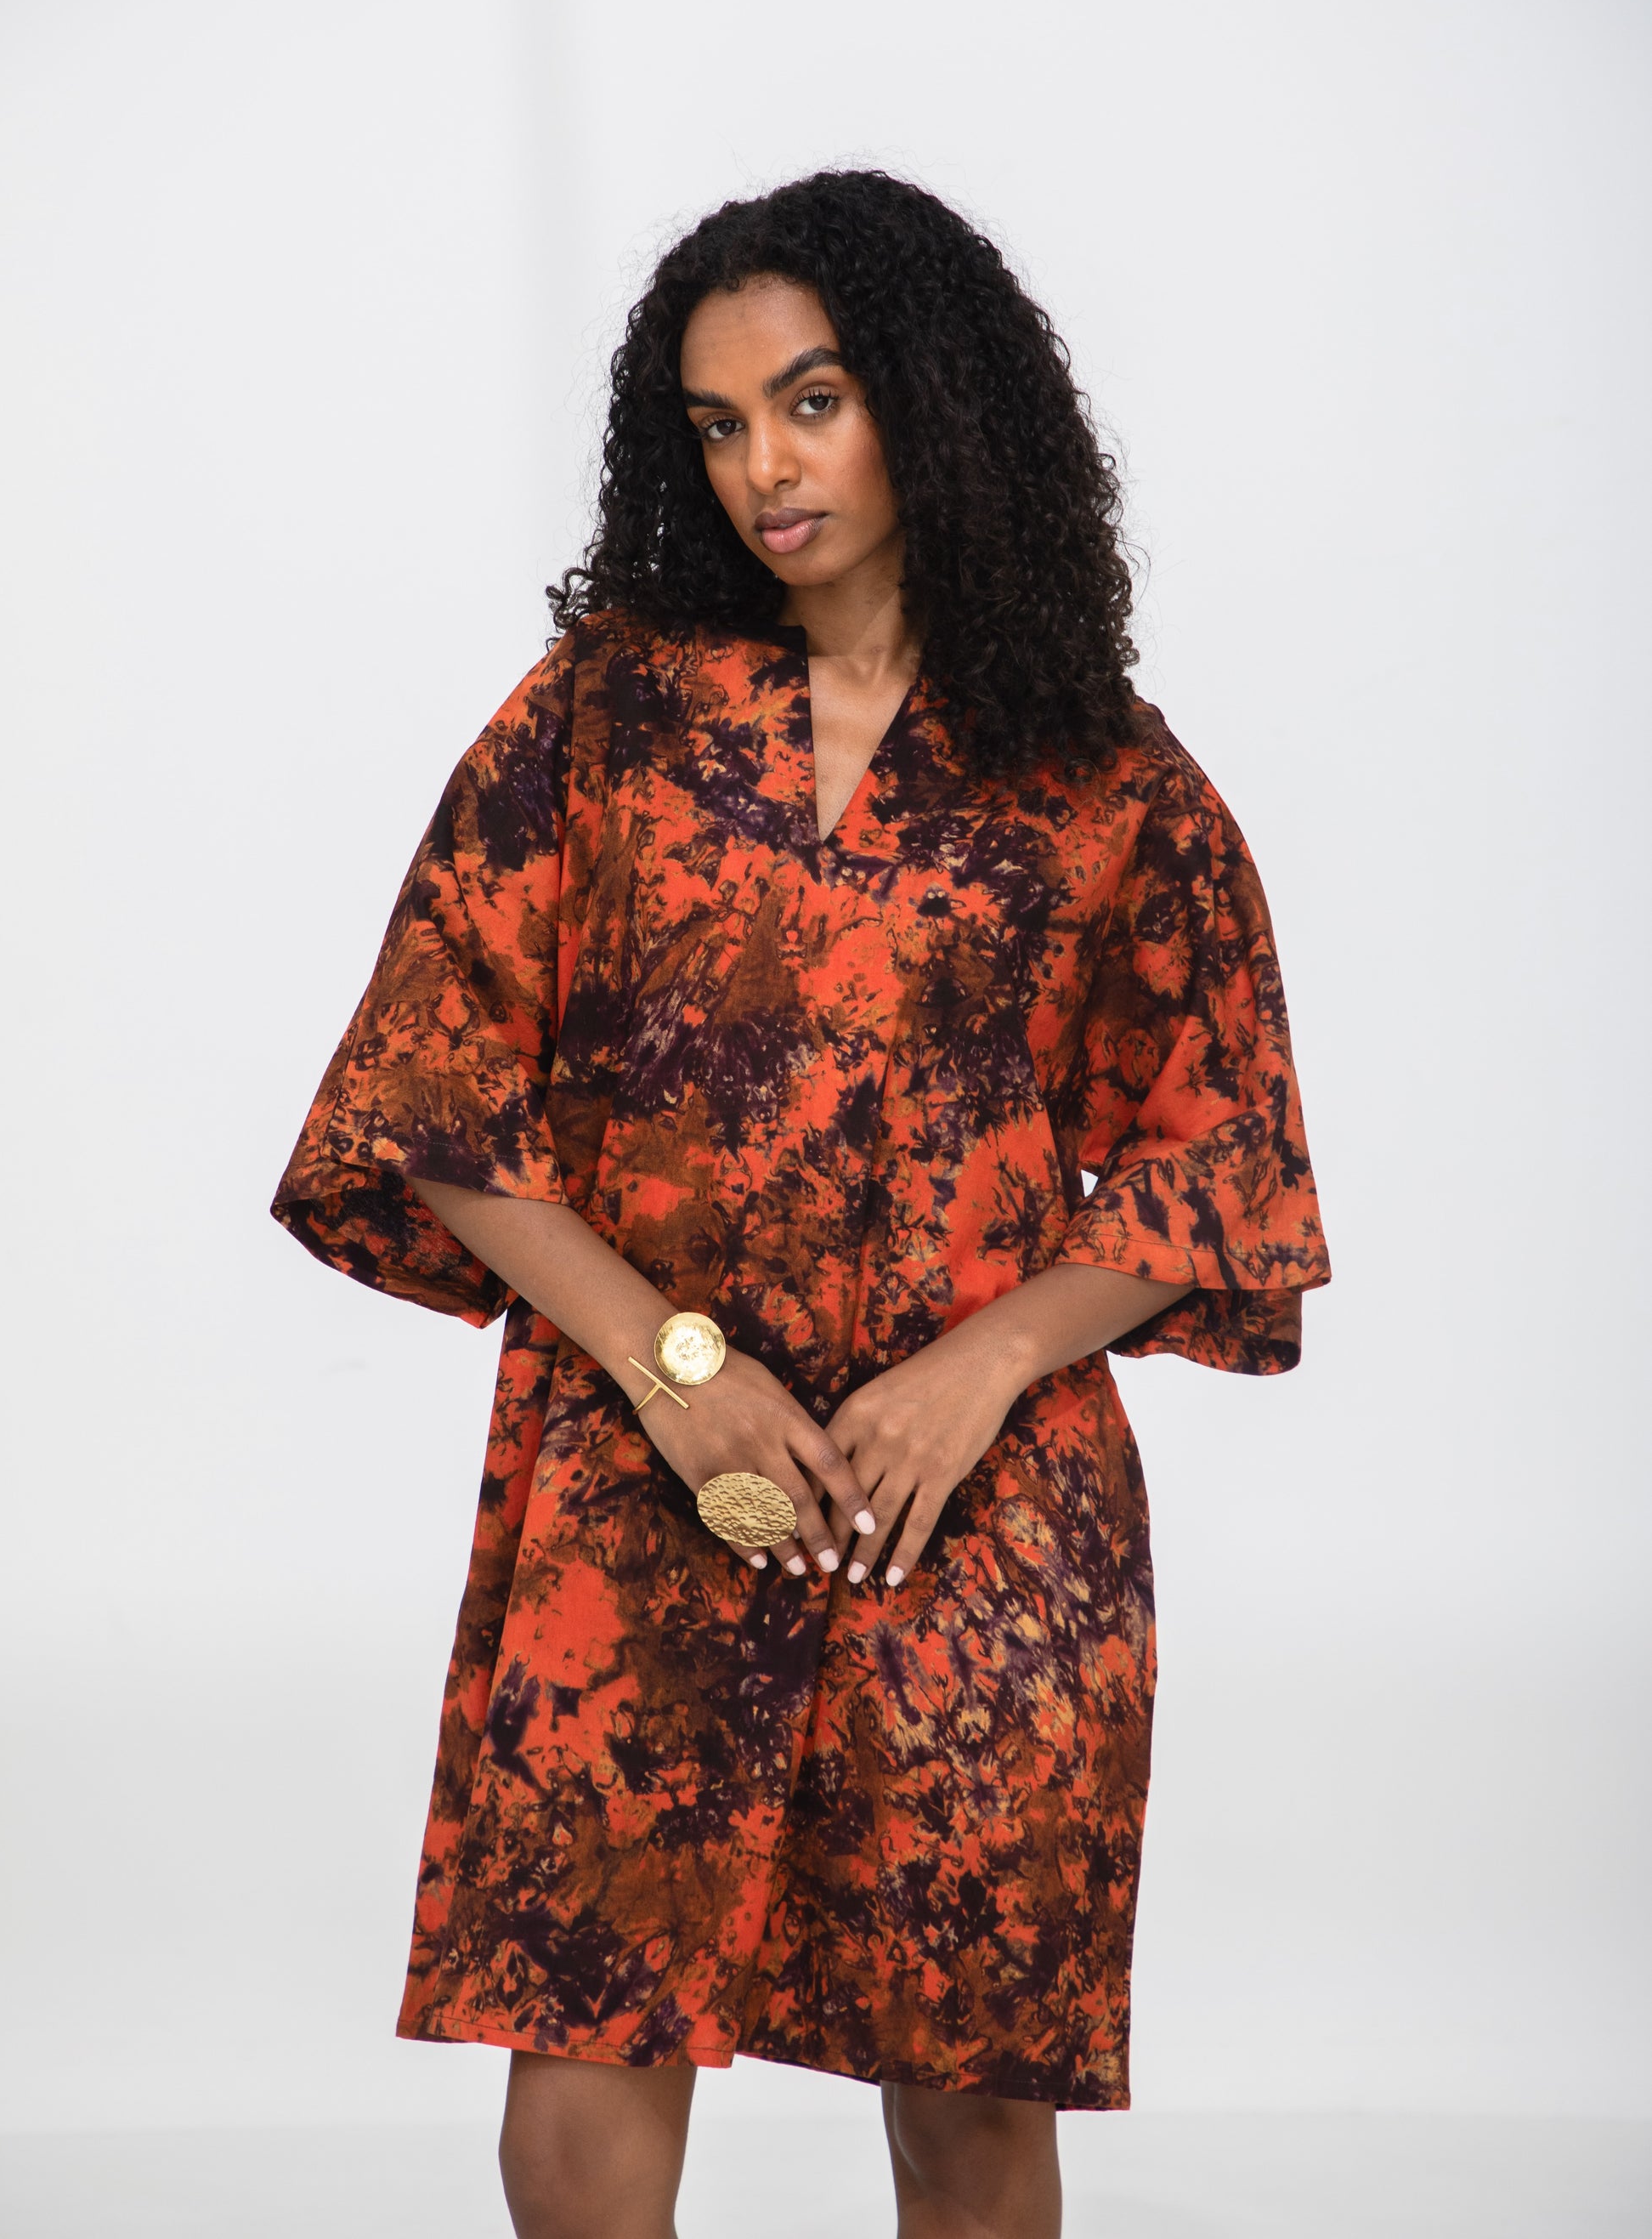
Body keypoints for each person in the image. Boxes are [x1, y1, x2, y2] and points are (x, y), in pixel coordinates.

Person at [273, 168, 1329, 2239]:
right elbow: (428, 1085)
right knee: (576, 2087)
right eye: (717, 422)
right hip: (635, 1469)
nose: (764, 465)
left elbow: (1218, 1151)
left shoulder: (1106, 778)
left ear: (931, 398)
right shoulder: (605, 715)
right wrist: (671, 1366)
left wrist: (973, 1371)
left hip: (974, 1507)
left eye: (811, 401)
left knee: (967, 2111)